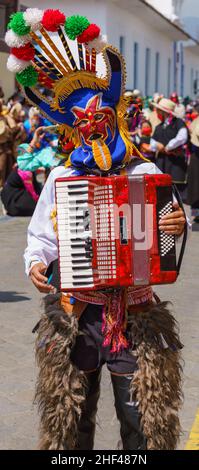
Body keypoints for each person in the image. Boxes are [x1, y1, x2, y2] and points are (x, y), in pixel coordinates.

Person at [6, 8, 186, 450]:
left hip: (137, 311)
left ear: (116, 118)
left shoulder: (144, 171)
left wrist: (174, 227)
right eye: (86, 126)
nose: (96, 132)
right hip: (76, 313)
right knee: (72, 427)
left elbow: (170, 229)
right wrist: (35, 261)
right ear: (75, 131)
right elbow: (40, 238)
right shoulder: (64, 178)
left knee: (142, 425)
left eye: (102, 121)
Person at [150, 98, 188, 201]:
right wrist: (157, 146)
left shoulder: (178, 122)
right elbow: (152, 142)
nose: (157, 111)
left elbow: (182, 137)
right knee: (162, 189)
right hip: (162, 162)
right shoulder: (159, 126)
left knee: (177, 191)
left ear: (164, 111)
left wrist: (168, 147)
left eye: (159, 109)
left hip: (175, 163)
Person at [187, 103, 199, 229]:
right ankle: (196, 216)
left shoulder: (195, 122)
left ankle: (196, 217)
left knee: (195, 190)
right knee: (195, 190)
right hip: (196, 159)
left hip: (196, 158)